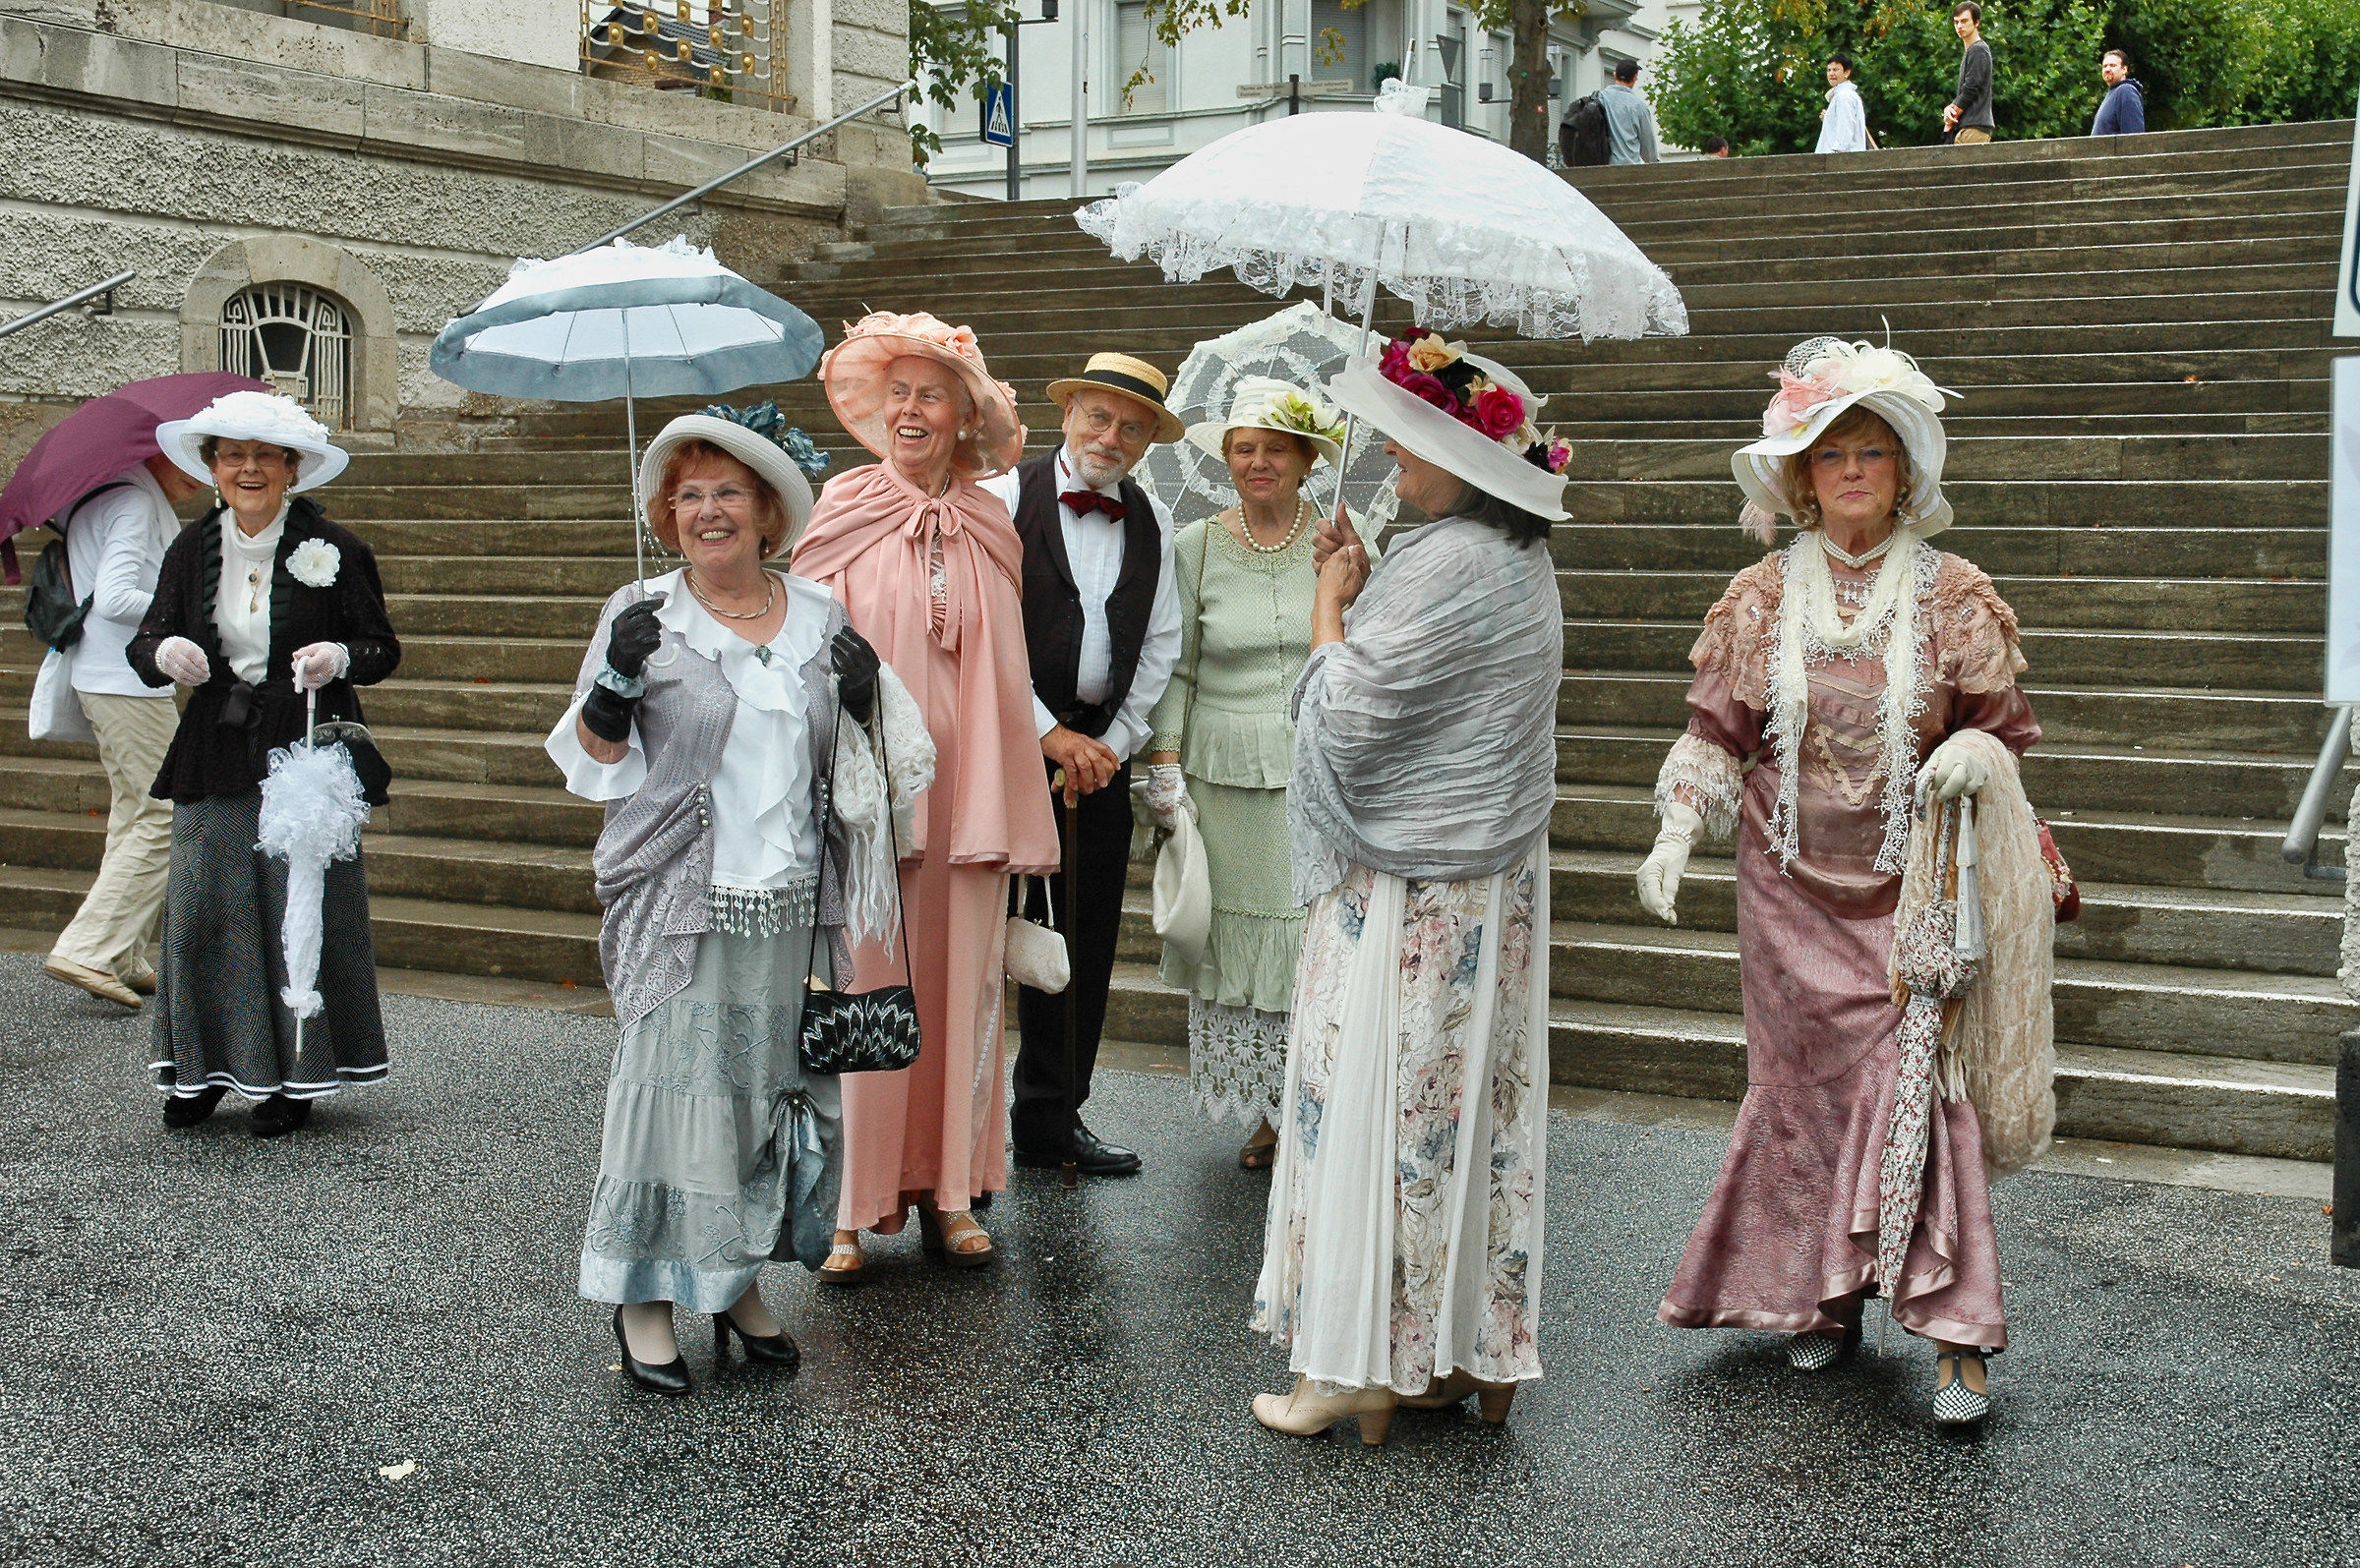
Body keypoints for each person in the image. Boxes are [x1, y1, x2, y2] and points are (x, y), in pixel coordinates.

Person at [1636, 335, 2046, 1428]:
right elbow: (1717, 732)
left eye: (1870, 452)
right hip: (1784, 890)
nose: (1851, 470)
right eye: (1829, 455)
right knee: (1805, 1098)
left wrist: (1978, 757)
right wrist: (1680, 825)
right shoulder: (1764, 590)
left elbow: (2003, 735)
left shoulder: (1954, 590)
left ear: (1904, 471)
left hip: (1914, 893)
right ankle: (1821, 1302)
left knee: (1928, 1091)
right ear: (1801, 477)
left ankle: (1959, 1333)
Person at [550, 405, 923, 1396]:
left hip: (797, 899)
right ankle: (641, 1299)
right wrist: (615, 681)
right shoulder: (643, 611)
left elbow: (863, 766)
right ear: (666, 516)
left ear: (767, 512)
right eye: (686, 496)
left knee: (764, 1102)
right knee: (668, 1099)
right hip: (681, 897)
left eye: (726, 493)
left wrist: (859, 704)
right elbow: (591, 762)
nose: (706, 511)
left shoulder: (820, 614)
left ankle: (731, 1281)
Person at [1248, 333, 1570, 1445]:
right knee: (1457, 1114)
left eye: (1412, 435)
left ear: (1463, 457)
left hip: (1408, 894)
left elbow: (1347, 713)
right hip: (1489, 889)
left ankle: (1350, 1365)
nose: (1392, 448)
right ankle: (1450, 1352)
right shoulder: (1512, 557)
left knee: (1374, 1099)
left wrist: (1331, 604)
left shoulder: (1448, 560)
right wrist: (1377, 581)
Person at [792, 313, 1059, 1278]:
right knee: (865, 981)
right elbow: (802, 651)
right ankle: (849, 1208)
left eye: (931, 393)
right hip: (873, 799)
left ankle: (953, 1190)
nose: (911, 409)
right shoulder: (843, 504)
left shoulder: (991, 518)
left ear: (961, 414)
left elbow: (1007, 663)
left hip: (969, 800)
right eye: (897, 392)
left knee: (964, 993)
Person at [129, 391, 397, 1137]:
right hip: (213, 744)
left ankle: (295, 1077)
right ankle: (202, 1070)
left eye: (265, 455)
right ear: (212, 466)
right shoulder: (190, 550)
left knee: (298, 908)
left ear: (292, 468)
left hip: (303, 748)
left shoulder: (337, 549)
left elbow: (382, 649)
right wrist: (162, 653)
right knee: (200, 911)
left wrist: (340, 654)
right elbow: (144, 641)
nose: (248, 468)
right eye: (231, 454)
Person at [978, 352, 1184, 1180]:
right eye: (1099, 417)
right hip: (1002, 750)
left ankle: (1054, 1122)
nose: (1112, 436)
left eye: (1131, 427)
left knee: (1083, 943)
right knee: (979, 938)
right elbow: (981, 632)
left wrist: (1110, 744)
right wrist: (1044, 732)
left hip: (1098, 762)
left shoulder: (1153, 519)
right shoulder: (999, 501)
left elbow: (1162, 641)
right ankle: (958, 1143)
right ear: (1069, 416)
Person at [1143, 377, 1347, 1171]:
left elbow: (1357, 651)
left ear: (1304, 460)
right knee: (1235, 942)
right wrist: (1163, 764)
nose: (1256, 462)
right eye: (1242, 448)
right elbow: (1177, 668)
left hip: (1315, 772)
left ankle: (1318, 1099)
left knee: (1312, 940)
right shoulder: (1194, 545)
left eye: (1273, 448)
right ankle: (1264, 1112)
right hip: (1221, 774)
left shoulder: (1337, 537)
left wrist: (1349, 578)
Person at [40, 450, 208, 1009]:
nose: (197, 476)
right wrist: (186, 614)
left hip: (106, 676)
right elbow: (113, 599)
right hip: (126, 680)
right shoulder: (136, 502)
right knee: (164, 811)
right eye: (183, 457)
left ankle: (123, 953)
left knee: (136, 810)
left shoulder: (106, 494)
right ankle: (90, 948)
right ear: (151, 448)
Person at [1943, 3, 1994, 145]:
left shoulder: (1978, 50)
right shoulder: (1972, 51)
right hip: (1969, 127)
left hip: (1974, 127)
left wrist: (1951, 112)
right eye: (1956, 22)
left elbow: (1971, 88)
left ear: (1976, 22)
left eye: (1964, 21)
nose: (1959, 26)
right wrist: (1950, 109)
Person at [1601, 58, 1660, 165]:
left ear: (1615, 75)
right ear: (1634, 78)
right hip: (1629, 168)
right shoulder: (1639, 107)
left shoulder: (1599, 98)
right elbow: (1648, 150)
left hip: (1601, 166)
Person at [1815, 54, 1868, 153]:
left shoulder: (1843, 96)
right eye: (1829, 70)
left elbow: (1845, 132)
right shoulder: (1844, 95)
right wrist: (1828, 118)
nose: (1831, 74)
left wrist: (1838, 154)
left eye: (1835, 70)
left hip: (1840, 160)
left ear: (1846, 72)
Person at [2093, 48, 2146, 135]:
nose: (2107, 69)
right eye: (2105, 66)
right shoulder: (2112, 94)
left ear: (2124, 69)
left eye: (2112, 65)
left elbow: (2133, 137)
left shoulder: (2126, 91)